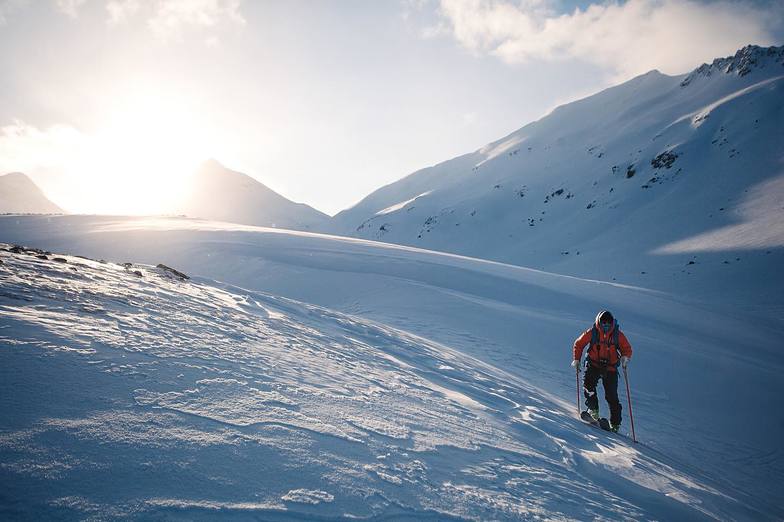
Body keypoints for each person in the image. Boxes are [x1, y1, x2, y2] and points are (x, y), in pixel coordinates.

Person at [571, 310, 632, 432]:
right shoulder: (593, 332)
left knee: (611, 396)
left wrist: (625, 358)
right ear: (599, 322)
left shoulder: (617, 335)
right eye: (603, 324)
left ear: (611, 324)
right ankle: (593, 410)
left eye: (608, 325)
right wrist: (576, 359)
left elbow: (627, 348)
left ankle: (615, 424)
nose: (606, 327)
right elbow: (579, 343)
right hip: (593, 364)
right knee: (588, 385)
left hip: (610, 367)